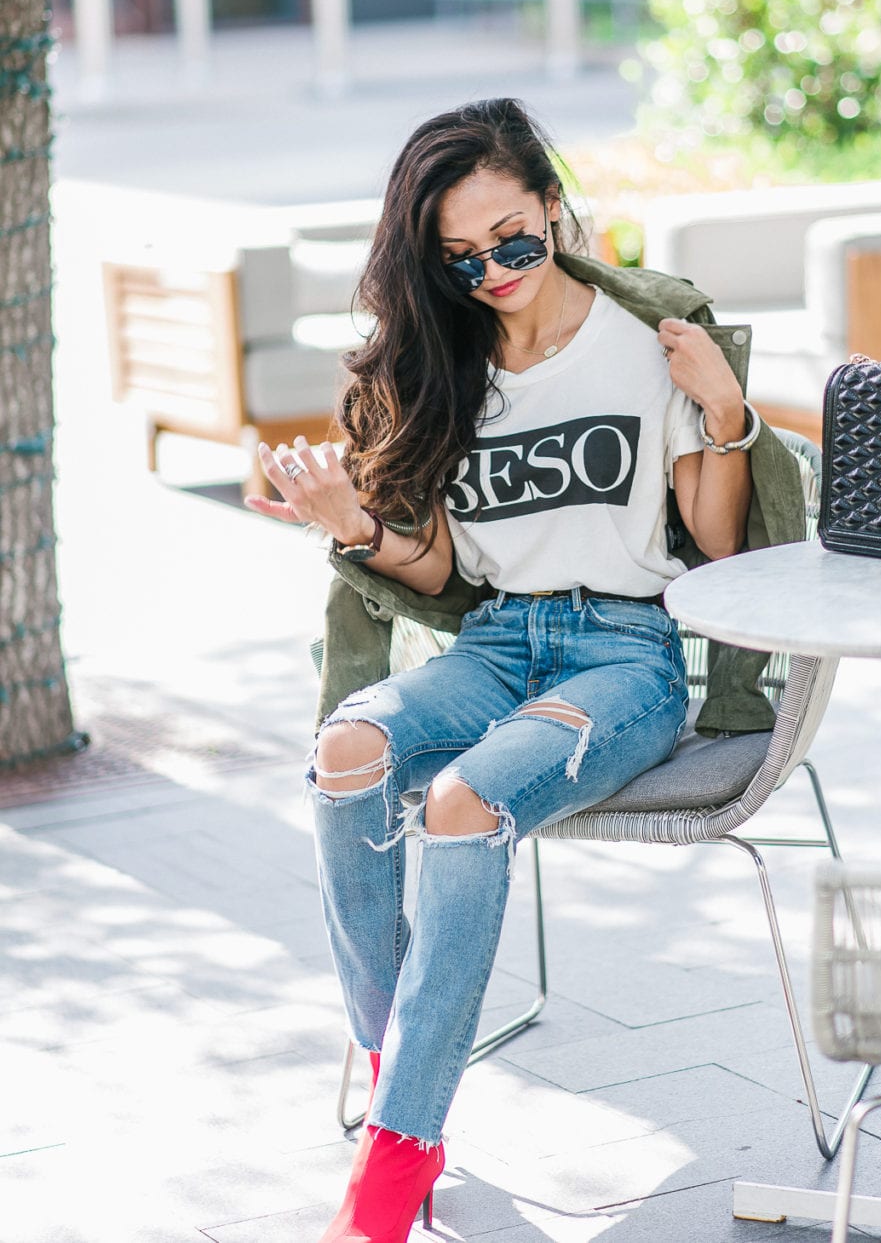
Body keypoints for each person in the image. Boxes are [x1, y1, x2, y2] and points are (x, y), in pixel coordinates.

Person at [244, 98, 773, 1243]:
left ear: (554, 210)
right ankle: (405, 1071)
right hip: (496, 645)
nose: (493, 271)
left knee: (459, 803)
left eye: (516, 241)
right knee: (345, 750)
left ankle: (395, 1159)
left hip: (625, 655)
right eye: (462, 257)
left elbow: (723, 547)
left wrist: (723, 412)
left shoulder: (648, 344)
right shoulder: (444, 362)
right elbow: (435, 567)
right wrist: (349, 523)